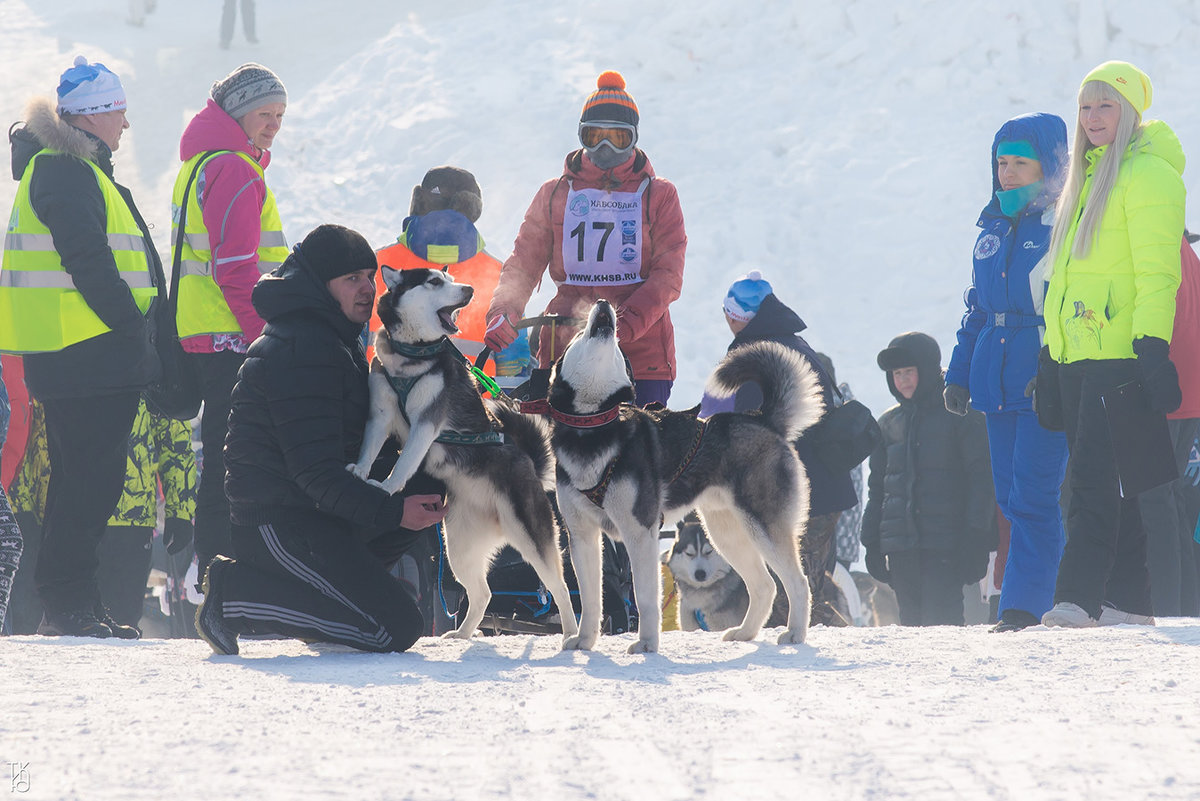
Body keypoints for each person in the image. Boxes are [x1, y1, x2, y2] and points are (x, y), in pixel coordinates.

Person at [194, 224, 448, 655]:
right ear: (320, 284)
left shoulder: (333, 338)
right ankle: (233, 595)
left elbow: (360, 444)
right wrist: (390, 510)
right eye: (352, 279)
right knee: (393, 629)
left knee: (428, 479)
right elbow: (316, 474)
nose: (367, 289)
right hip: (278, 523)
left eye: (370, 276)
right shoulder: (301, 350)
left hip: (317, 513)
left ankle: (337, 601)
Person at [0, 56, 162, 639]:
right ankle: (67, 605)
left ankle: (73, 604)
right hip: (88, 354)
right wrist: (131, 327)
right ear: (95, 116)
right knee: (88, 484)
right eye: (120, 112)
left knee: (83, 482)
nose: (125, 124)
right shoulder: (66, 171)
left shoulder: (69, 167)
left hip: (80, 352)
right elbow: (90, 262)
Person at [1037, 61, 1185, 628]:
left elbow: (1157, 274)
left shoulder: (1147, 176)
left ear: (1129, 112)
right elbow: (1063, 280)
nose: (1093, 118)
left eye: (1105, 106)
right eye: (1085, 107)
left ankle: (1077, 597)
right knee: (1112, 477)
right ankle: (1127, 600)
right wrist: (1049, 355)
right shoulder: (1085, 176)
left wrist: (1152, 345)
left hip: (1120, 352)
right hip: (1078, 352)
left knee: (1098, 480)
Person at [484, 70, 686, 407]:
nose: (605, 148)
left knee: (638, 457)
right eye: (594, 136)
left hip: (639, 352)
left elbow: (668, 276)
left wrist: (617, 328)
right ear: (581, 136)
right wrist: (503, 312)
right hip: (566, 346)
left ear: (634, 138)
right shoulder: (554, 193)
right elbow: (522, 264)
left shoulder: (659, 195)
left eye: (617, 138)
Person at [944, 112, 1071, 633]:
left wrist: (1055, 370)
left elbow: (1067, 305)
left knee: (1034, 498)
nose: (1009, 173)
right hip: (993, 380)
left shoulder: (1065, 223)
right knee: (1008, 498)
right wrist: (958, 373)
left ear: (1051, 165)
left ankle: (1025, 607)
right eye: (1002, 162)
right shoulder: (992, 226)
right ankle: (1036, 599)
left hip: (1040, 379)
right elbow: (978, 308)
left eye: (1022, 162)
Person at [173, 63, 288, 578]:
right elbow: (237, 270)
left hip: (204, 331)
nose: (273, 125)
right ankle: (222, 573)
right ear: (238, 114)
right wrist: (265, 336)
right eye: (264, 113)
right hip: (231, 338)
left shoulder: (201, 164)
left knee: (223, 457)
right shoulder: (235, 168)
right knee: (233, 461)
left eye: (280, 115)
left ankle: (213, 571)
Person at [698, 271, 859, 626]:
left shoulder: (754, 355)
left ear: (738, 316)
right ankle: (818, 646)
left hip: (784, 488)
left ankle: (805, 666)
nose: (726, 320)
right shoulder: (797, 346)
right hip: (821, 485)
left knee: (795, 592)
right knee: (809, 582)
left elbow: (729, 423)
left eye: (729, 313)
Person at [861, 332, 996, 626]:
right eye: (897, 374)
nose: (903, 380)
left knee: (942, 630)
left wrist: (977, 539)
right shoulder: (888, 424)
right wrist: (872, 543)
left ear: (927, 368)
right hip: (902, 552)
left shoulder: (960, 415)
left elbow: (981, 482)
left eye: (909, 372)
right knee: (911, 632)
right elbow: (878, 490)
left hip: (946, 549)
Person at [1136, 234, 1200, 616]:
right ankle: (1183, 607)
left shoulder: (1154, 248)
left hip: (1158, 388)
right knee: (1171, 501)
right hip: (1189, 391)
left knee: (1154, 503)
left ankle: (1165, 608)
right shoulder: (1187, 253)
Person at [97, 399, 197, 629]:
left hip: (130, 519)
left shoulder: (152, 364)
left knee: (122, 623)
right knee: (62, 635)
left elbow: (173, 433)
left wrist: (180, 510)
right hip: (67, 516)